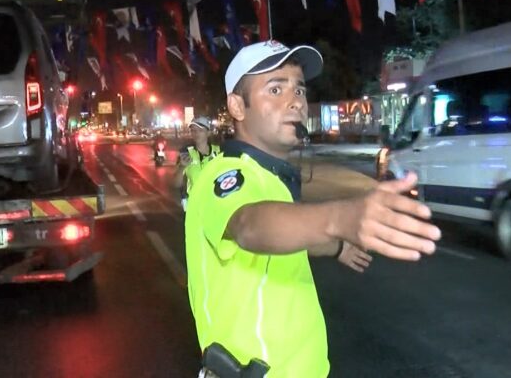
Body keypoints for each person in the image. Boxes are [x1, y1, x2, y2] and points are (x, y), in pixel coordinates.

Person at [184, 40, 441, 377]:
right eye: (275, 89)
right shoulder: (223, 174)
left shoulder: (270, 177)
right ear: (237, 106)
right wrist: (340, 218)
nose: (296, 102)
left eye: (300, 90)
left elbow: (282, 234)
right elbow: (250, 226)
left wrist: (335, 246)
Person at [174, 116, 222, 211]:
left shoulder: (219, 152)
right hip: (194, 207)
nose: (196, 133)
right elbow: (176, 184)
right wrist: (182, 167)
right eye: (193, 130)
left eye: (200, 130)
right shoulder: (186, 153)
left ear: (208, 133)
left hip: (217, 205)